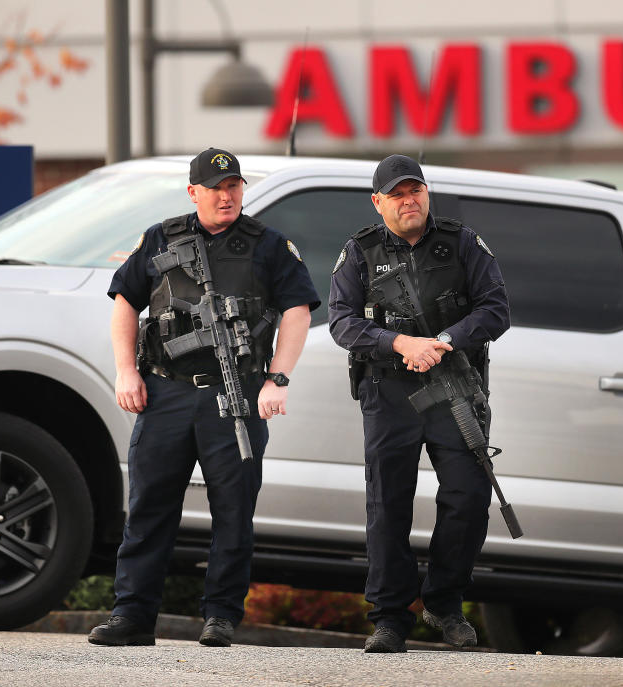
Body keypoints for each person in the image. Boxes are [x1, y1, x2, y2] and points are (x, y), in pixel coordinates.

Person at [89, 148, 319, 648]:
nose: (226, 195)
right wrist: (126, 371)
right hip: (165, 393)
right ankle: (132, 616)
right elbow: (126, 301)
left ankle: (220, 615)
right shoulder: (160, 238)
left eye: (234, 185)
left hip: (232, 396)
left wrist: (276, 379)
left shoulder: (269, 245)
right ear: (193, 192)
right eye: (216, 187)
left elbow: (297, 310)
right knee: (149, 506)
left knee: (234, 510)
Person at [328, 154, 510, 653]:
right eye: (398, 194)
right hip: (388, 391)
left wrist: (446, 340)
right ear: (378, 202)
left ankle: (445, 604)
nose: (410, 201)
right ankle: (389, 617)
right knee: (388, 502)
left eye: (416, 191)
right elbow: (341, 322)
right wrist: (401, 343)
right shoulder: (361, 252)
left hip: (455, 386)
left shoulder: (462, 243)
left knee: (469, 497)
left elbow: (497, 309)